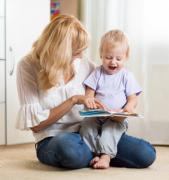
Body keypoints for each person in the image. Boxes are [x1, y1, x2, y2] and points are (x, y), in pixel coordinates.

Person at [16, 14, 156, 170]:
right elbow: (35, 126)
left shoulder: (84, 64)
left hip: (91, 131)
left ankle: (100, 154)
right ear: (61, 51)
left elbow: (107, 93)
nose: (81, 56)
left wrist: (118, 113)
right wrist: (73, 100)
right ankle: (102, 153)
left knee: (145, 153)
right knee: (70, 150)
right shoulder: (27, 66)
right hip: (53, 138)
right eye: (77, 52)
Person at [80, 29, 155, 169]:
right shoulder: (97, 73)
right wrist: (90, 101)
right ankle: (93, 153)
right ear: (101, 55)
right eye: (108, 57)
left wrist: (129, 108)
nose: (113, 62)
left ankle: (106, 156)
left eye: (118, 59)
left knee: (110, 130)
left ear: (125, 57)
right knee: (86, 127)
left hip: (116, 118)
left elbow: (133, 98)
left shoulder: (127, 76)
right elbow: (89, 93)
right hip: (97, 115)